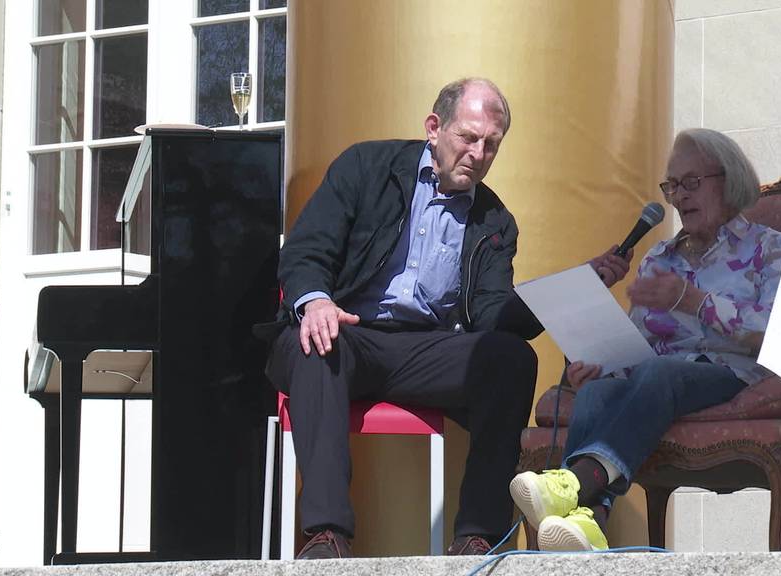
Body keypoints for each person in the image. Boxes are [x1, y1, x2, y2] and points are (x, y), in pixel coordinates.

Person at [265, 77, 631, 559]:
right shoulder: (367, 167)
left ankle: (478, 536)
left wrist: (568, 288)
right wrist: (315, 302)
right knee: (317, 340)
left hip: (425, 350)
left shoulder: (495, 219)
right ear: (434, 128)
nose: (479, 154)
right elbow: (307, 250)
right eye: (469, 137)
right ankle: (325, 536)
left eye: (491, 146)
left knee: (509, 359)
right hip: (347, 329)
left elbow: (492, 317)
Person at [508, 128, 781, 551]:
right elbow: (637, 343)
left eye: (691, 183)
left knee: (661, 373)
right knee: (598, 393)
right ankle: (588, 519)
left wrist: (693, 300)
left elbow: (776, 333)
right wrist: (600, 364)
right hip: (656, 380)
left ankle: (576, 482)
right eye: (672, 185)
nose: (679, 197)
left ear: (729, 181)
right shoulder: (661, 256)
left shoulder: (771, 248)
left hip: (732, 373)